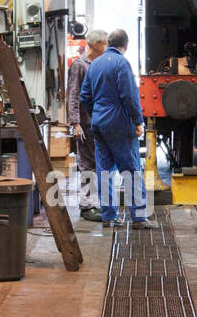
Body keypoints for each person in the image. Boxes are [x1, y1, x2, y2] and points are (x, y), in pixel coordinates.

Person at [79, 28, 155, 229]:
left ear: (109, 43)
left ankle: (109, 218)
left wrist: (96, 113)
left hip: (99, 124)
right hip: (120, 124)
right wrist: (138, 121)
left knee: (105, 171)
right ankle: (138, 218)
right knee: (130, 170)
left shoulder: (94, 65)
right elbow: (129, 96)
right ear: (126, 45)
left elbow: (84, 96)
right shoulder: (122, 63)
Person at [66, 29, 107, 222]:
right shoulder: (79, 66)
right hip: (84, 125)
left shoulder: (96, 64)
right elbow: (73, 96)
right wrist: (75, 123)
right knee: (87, 165)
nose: (107, 47)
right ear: (95, 44)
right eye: (105, 43)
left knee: (97, 164)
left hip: (96, 124)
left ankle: (94, 203)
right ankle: (87, 205)